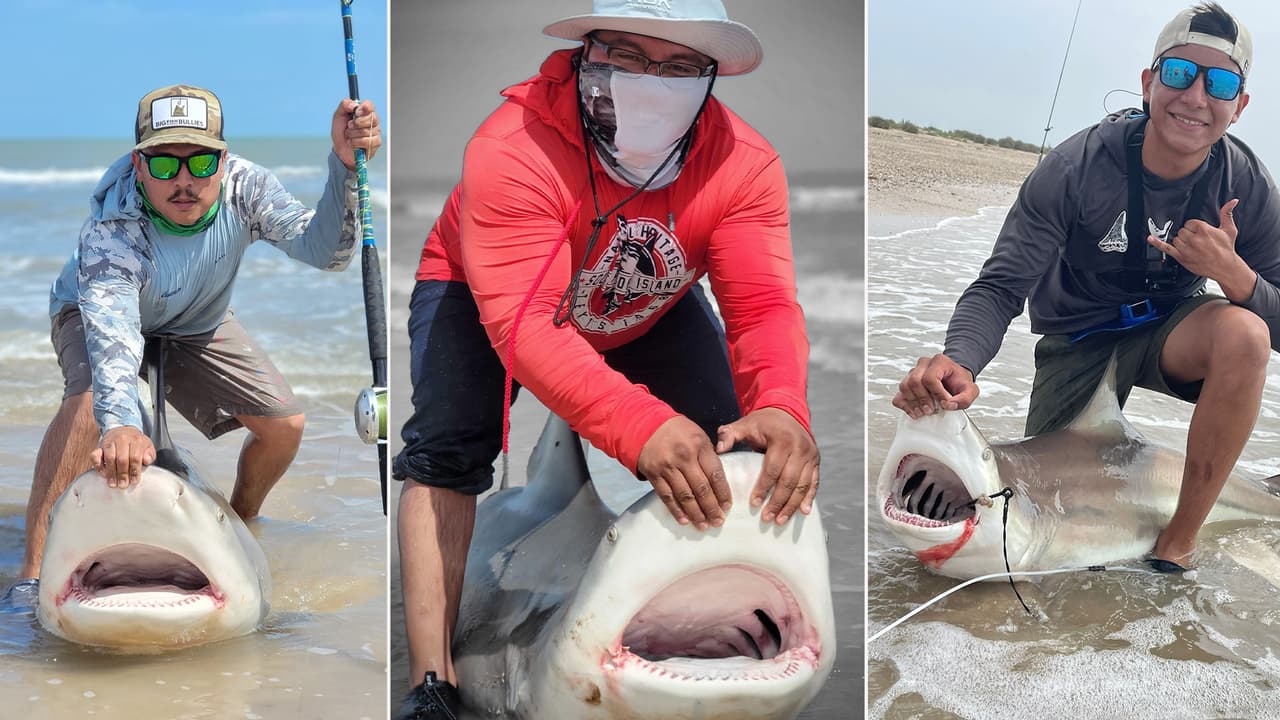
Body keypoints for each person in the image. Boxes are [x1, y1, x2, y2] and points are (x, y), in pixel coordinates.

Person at [393, 1, 819, 716]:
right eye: (624, 56)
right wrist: (635, 421)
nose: (652, 80)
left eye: (681, 67)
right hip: (485, 293)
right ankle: (430, 680)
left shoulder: (744, 165)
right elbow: (527, 326)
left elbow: (765, 308)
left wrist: (781, 403)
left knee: (741, 453)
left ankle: (703, 630)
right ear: (585, 54)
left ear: (711, 78)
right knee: (446, 451)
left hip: (647, 301)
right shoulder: (513, 144)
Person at [894, 3, 1279, 573]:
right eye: (1178, 74)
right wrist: (961, 361)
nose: (1195, 96)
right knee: (1032, 530)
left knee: (1245, 334)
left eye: (1220, 82)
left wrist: (1234, 274)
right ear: (1149, 83)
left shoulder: (1243, 182)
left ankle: (1180, 542)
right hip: (1076, 341)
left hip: (1170, 333)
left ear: (1239, 106)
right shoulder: (1077, 167)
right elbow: (1001, 287)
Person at [4, 84, 382, 606]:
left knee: (285, 427)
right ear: (139, 166)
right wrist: (121, 425)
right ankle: (30, 578)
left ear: (222, 161)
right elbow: (114, 338)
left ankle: (239, 526)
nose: (183, 181)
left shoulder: (246, 189)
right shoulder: (112, 228)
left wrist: (344, 168)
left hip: (197, 318)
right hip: (93, 312)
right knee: (93, 400)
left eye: (199, 162)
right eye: (164, 165)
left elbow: (327, 253)